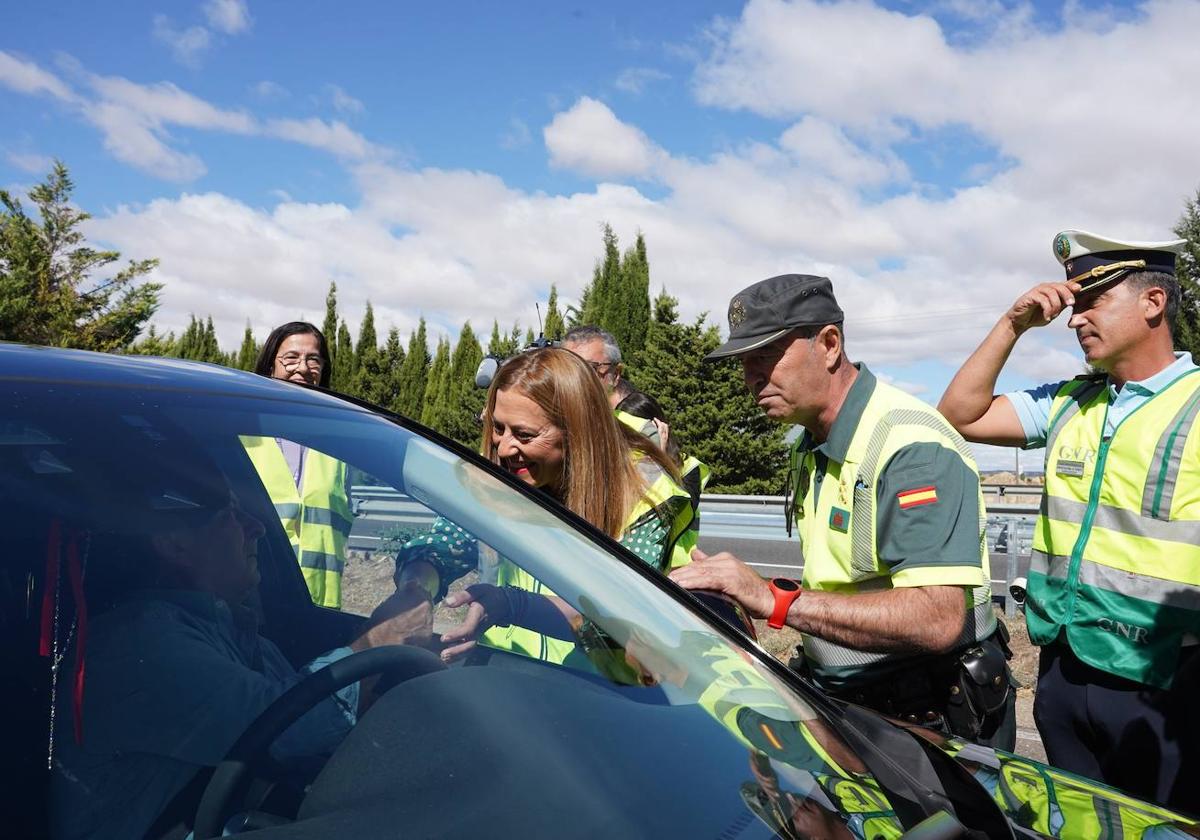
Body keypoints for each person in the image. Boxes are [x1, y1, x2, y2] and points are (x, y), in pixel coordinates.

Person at [670, 274, 1015, 747]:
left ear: (829, 344)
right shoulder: (812, 439)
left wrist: (774, 599)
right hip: (858, 706)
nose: (751, 380)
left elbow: (937, 617)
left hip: (932, 717)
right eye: (744, 364)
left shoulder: (910, 446)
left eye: (766, 358)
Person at [937, 230, 1198, 807]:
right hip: (1063, 674)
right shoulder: (1069, 401)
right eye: (1073, 303)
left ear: (1153, 303)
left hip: (1165, 689)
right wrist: (1012, 324)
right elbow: (959, 413)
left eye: (1093, 300)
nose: (1076, 318)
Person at [51, 448, 432, 840]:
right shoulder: (140, 646)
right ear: (174, 544)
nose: (258, 528)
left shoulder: (229, 629)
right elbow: (292, 729)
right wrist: (379, 639)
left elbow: (307, 736)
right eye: (231, 514)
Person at [395, 347, 695, 665]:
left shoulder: (645, 494)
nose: (505, 447)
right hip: (502, 675)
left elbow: (617, 617)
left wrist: (514, 606)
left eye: (524, 435)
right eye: (498, 428)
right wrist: (416, 590)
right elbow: (439, 548)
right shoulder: (498, 477)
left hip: (601, 692)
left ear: (577, 433)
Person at [562, 325, 712, 560]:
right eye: (567, 368)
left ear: (616, 374)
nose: (577, 380)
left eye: (591, 369)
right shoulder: (543, 430)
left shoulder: (640, 433)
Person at [247, 321, 353, 608]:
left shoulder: (340, 445)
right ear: (270, 367)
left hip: (320, 611)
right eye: (290, 358)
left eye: (313, 359)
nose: (302, 368)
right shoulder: (243, 437)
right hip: (250, 603)